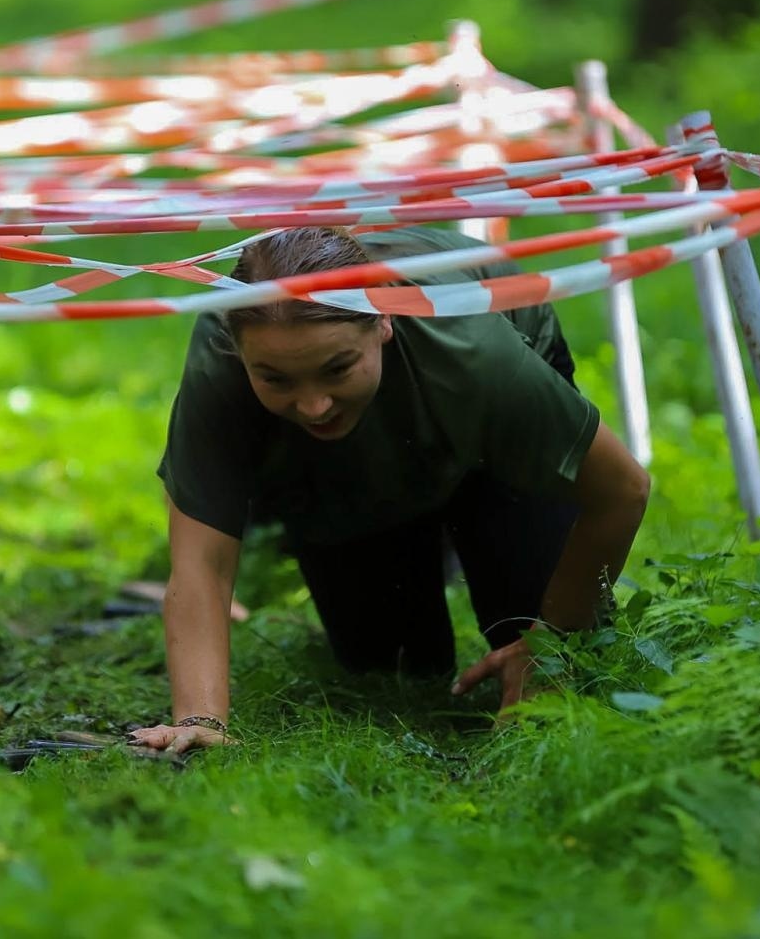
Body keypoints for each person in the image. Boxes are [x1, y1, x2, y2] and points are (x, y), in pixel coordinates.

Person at [128, 225, 651, 755]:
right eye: (278, 380)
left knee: (550, 633)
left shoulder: (473, 347)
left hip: (485, 439)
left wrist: (551, 641)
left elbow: (623, 490)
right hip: (335, 462)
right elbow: (203, 563)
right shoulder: (221, 355)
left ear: (384, 322)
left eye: (336, 369)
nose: (313, 404)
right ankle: (409, 518)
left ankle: (460, 515)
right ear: (239, 356)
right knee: (391, 666)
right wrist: (200, 718)